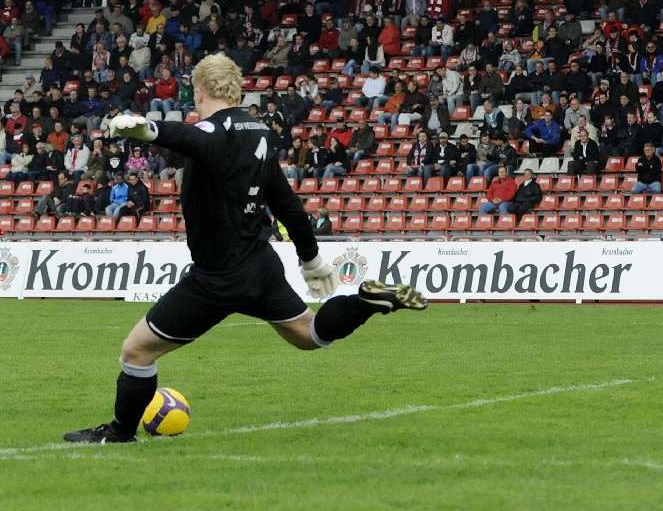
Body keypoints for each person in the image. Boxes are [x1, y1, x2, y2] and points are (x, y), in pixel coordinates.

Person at [64, 53, 428, 444]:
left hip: (218, 277)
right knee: (310, 334)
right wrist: (310, 258)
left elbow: (192, 138)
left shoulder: (213, 130)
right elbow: (286, 202)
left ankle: (120, 433)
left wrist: (151, 129)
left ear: (199, 90)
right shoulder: (259, 131)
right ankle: (366, 302)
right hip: (260, 265)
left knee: (136, 351)